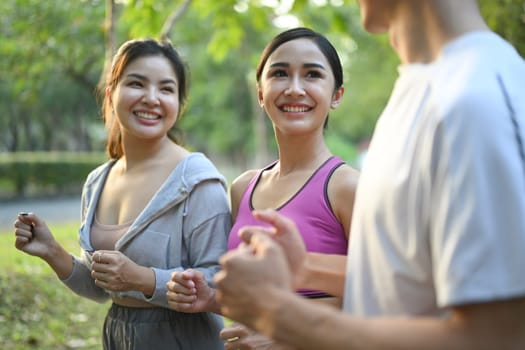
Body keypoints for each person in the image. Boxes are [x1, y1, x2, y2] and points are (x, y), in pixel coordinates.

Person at [213, 1, 525, 349]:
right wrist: (304, 267)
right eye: (280, 74)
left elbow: (501, 336)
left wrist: (282, 319)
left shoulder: (476, 98)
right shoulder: (420, 91)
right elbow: (406, 286)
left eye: (313, 74)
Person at [13, 38, 231, 349]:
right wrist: (52, 251)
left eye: (166, 89)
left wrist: (143, 278)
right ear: (111, 93)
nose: (151, 98)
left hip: (185, 339)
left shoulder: (198, 182)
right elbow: (102, 288)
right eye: (137, 84)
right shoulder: (97, 181)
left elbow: (220, 283)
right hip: (119, 336)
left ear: (178, 105)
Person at [166, 27, 359, 349]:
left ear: (337, 95)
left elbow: (381, 297)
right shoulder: (243, 188)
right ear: (260, 93)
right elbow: (257, 300)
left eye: (312, 74)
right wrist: (210, 298)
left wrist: (289, 336)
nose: (295, 88)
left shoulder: (347, 186)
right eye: (280, 74)